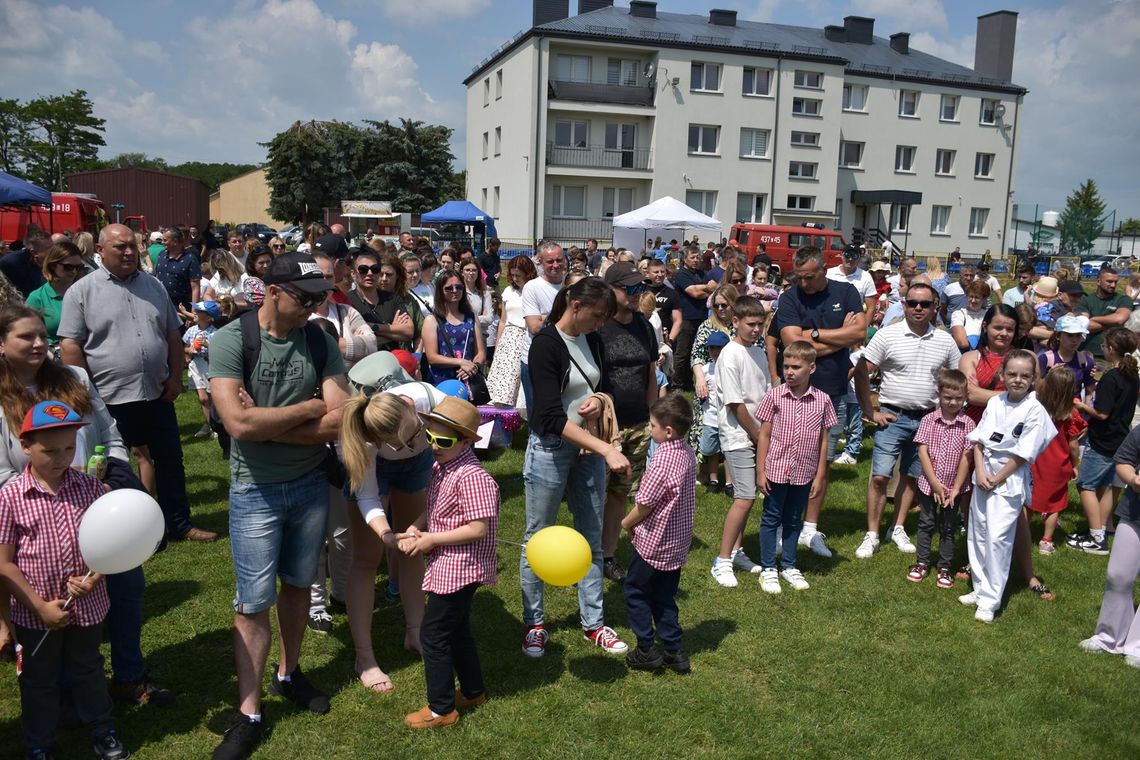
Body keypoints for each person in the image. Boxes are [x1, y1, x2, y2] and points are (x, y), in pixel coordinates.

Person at [208, 252, 349, 760]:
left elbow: (340, 418)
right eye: (304, 298)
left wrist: (268, 424)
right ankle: (249, 712)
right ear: (271, 291)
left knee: (298, 585)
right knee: (252, 602)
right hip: (255, 491)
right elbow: (237, 424)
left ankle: (289, 673)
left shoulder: (319, 339)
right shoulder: (231, 340)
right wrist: (309, 408)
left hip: (310, 484)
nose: (314, 307)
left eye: (320, 298)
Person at [0, 306, 173, 709]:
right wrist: (53, 496)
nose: (39, 343)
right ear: (2, 344)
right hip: (38, 523)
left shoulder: (74, 377)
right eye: (26, 337)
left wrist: (109, 480)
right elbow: (4, 473)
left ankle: (129, 676)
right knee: (58, 602)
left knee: (127, 588)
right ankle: (66, 691)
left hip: (99, 513)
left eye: (41, 334)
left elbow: (111, 436)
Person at [59, 224, 214, 542]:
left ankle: (178, 524)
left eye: (133, 245)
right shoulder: (82, 291)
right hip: (108, 399)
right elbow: (71, 345)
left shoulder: (153, 286)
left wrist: (175, 378)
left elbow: (172, 334)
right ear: (100, 250)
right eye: (120, 247)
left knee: (170, 461)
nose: (129, 252)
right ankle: (117, 532)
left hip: (156, 394)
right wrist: (83, 393)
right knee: (111, 467)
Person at [0, 400, 130, 760]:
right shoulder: (10, 498)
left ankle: (103, 729)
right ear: (26, 446)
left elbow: (112, 544)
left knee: (88, 668)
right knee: (38, 677)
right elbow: (4, 564)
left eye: (69, 448)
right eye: (51, 451)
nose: (61, 458)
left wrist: (94, 578)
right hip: (34, 611)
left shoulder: (90, 488)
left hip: (87, 605)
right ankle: (39, 742)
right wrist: (39, 607)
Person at [520, 277, 632, 658]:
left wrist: (599, 400)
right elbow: (550, 416)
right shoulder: (545, 345)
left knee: (591, 537)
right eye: (597, 316)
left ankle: (594, 624)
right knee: (537, 537)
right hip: (551, 450)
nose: (600, 325)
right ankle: (535, 624)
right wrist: (606, 449)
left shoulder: (594, 339)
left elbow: (606, 384)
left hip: (587, 454)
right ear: (576, 305)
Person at [396, 396, 498, 729]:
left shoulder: (471, 476)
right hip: (449, 562)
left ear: (466, 442)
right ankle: (472, 691)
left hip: (462, 567)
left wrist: (432, 539)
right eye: (430, 437)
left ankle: (442, 710)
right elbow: (434, 507)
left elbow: (478, 528)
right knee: (457, 630)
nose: (433, 446)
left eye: (443, 441)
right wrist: (416, 527)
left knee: (433, 635)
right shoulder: (443, 467)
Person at [854, 281, 961, 559]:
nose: (918, 308)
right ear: (904, 305)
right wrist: (870, 411)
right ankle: (872, 533)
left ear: (935, 307)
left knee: (911, 476)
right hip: (892, 416)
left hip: (927, 420)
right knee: (880, 476)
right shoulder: (888, 335)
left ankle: (898, 527)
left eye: (925, 304)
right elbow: (862, 371)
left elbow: (958, 378)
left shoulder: (945, 340)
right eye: (912, 303)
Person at [777, 246, 866, 558]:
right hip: (794, 393)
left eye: (810, 277)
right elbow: (793, 345)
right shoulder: (789, 298)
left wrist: (813, 335)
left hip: (833, 391)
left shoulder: (847, 291)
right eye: (799, 277)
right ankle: (782, 525)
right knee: (788, 459)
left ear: (824, 269)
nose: (804, 283)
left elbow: (860, 332)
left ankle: (810, 529)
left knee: (822, 463)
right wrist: (840, 337)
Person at [961, 350, 1054, 623]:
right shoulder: (995, 402)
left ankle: (991, 600)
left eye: (1025, 375)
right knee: (978, 532)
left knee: (998, 538)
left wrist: (997, 477)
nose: (1018, 380)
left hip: (1009, 477)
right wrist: (980, 471)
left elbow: (1024, 453)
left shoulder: (1035, 410)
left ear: (1034, 379)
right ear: (1002, 375)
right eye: (1012, 374)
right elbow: (979, 440)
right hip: (983, 474)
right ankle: (979, 587)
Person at [621, 393, 696, 673]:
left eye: (652, 425)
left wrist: (625, 523)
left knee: (636, 590)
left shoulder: (662, 460)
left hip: (654, 542)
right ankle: (675, 652)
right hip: (677, 542)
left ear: (668, 431)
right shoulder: (687, 453)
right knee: (664, 597)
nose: (649, 429)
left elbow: (644, 504)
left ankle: (646, 649)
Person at [755, 341, 835, 594]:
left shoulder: (822, 400)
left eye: (796, 367)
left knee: (793, 519)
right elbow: (764, 435)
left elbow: (824, 440)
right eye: (786, 366)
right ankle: (768, 567)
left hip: (804, 471)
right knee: (771, 517)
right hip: (776, 468)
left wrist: (820, 475)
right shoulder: (774, 396)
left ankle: (789, 565)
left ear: (812, 368)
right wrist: (760, 470)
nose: (789, 372)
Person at [598, 263, 659, 582]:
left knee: (620, 492)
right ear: (611, 290)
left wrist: (651, 416)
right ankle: (587, 553)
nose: (637, 294)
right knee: (593, 493)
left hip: (637, 424)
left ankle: (607, 555)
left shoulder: (644, 326)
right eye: (630, 289)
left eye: (640, 288)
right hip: (602, 428)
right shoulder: (597, 327)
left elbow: (650, 373)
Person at [710, 296, 772, 586]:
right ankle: (722, 560)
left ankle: (736, 551)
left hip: (760, 434)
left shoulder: (758, 352)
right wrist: (757, 435)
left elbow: (766, 394)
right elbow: (735, 403)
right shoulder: (730, 354)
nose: (756, 330)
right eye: (751, 324)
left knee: (749, 498)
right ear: (735, 322)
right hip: (738, 435)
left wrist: (766, 433)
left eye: (760, 324)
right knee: (745, 497)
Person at [1068, 328, 1140, 555]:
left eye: (1103, 346)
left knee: (1085, 485)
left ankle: (1097, 539)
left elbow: (1102, 414)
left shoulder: (1111, 377)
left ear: (1111, 348)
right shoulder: (1132, 375)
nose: (1103, 350)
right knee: (1106, 486)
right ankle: (1098, 531)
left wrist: (1080, 406)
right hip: (1120, 437)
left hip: (1103, 440)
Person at [1078, 420, 1140, 667]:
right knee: (1117, 576)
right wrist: (1134, 480)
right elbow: (1123, 461)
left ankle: (1137, 645)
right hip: (1134, 513)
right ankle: (1108, 636)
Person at [908, 370, 975, 588]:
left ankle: (945, 567)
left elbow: (967, 457)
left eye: (958, 398)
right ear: (938, 394)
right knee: (926, 523)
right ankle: (922, 562)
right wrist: (935, 484)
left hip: (955, 488)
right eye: (947, 397)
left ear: (965, 397)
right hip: (929, 485)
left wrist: (955, 488)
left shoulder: (968, 424)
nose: (952, 402)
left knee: (948, 527)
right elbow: (922, 452)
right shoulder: (929, 420)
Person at [1028, 366, 1085, 554]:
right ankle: (1046, 541)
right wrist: (1075, 464)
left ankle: (1022, 534)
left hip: (1036, 460)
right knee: (1054, 505)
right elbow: (1073, 445)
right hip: (1058, 465)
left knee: (1029, 500)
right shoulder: (1071, 415)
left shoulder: (1037, 408)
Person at [520, 242, 566, 411]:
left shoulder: (570, 284)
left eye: (559, 260)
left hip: (566, 357)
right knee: (538, 413)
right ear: (540, 261)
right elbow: (534, 327)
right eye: (550, 261)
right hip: (536, 359)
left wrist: (545, 317)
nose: (556, 265)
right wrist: (565, 314)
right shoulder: (532, 287)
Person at [487, 255, 536, 406]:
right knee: (504, 379)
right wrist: (498, 344)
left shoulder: (533, 291)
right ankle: (502, 412)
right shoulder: (508, 291)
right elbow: (503, 320)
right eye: (513, 275)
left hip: (525, 336)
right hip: (508, 337)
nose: (515, 278)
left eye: (518, 275)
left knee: (519, 378)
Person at [423, 270, 485, 388]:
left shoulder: (471, 317)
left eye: (459, 287)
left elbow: (480, 352)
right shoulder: (432, 320)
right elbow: (432, 357)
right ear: (440, 291)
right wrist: (461, 362)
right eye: (449, 288)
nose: (455, 290)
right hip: (442, 382)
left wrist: (473, 367)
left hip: (468, 379)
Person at [348, 249, 414, 352]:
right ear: (353, 273)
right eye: (363, 269)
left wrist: (373, 327)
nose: (370, 273)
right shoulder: (347, 301)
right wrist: (393, 330)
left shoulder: (392, 298)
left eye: (375, 269)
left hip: (392, 359)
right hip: (365, 360)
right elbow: (357, 342)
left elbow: (409, 331)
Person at [672, 247, 719, 391]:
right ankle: (677, 384)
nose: (696, 260)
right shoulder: (681, 274)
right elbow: (695, 293)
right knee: (683, 352)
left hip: (701, 317)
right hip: (686, 318)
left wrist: (703, 288)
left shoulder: (701, 273)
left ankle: (688, 382)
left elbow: (715, 287)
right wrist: (707, 288)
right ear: (685, 259)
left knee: (696, 351)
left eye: (698, 257)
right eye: (692, 257)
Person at [26, 240, 86, 349]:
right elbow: (28, 334)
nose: (74, 271)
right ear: (53, 265)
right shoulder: (37, 298)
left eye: (78, 267)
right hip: (53, 354)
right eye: (68, 267)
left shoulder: (85, 292)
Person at [1077, 267, 1132, 365]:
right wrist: (1113, 323)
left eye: (1115, 282)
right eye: (1109, 281)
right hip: (1087, 352)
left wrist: (1093, 319)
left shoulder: (1123, 299)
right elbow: (1085, 325)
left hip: (1113, 354)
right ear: (1098, 281)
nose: (1113, 285)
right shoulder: (1085, 300)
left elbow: (1120, 319)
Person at [697, 330, 729, 493]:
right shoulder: (705, 370)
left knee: (729, 450)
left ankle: (730, 482)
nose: (715, 351)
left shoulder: (732, 367)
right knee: (711, 451)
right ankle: (713, 479)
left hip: (729, 418)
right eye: (712, 348)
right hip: (711, 417)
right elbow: (700, 392)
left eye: (719, 348)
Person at [1038, 315, 1096, 405]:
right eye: (1070, 335)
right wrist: (1050, 377)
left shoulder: (1085, 361)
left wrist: (1085, 409)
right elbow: (1036, 388)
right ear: (1058, 336)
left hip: (1073, 410)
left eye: (1078, 335)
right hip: (1048, 409)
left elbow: (1089, 392)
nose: (1075, 340)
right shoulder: (1045, 359)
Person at [184, 300, 221, 439]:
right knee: (203, 398)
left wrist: (207, 345)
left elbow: (218, 351)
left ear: (209, 317)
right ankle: (210, 425)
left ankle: (214, 424)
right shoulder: (191, 330)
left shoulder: (215, 333)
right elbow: (185, 347)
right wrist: (189, 351)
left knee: (212, 397)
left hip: (209, 364)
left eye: (199, 311)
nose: (195, 313)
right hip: (196, 364)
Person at [154, 226, 201, 312]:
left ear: (175, 241)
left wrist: (194, 311)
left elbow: (195, 287)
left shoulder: (190, 259)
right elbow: (157, 276)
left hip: (181, 310)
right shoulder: (161, 255)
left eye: (165, 240)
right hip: (161, 306)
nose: (162, 243)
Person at [827, 244, 877, 316]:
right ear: (842, 255)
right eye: (848, 255)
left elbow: (871, 307)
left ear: (859, 259)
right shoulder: (829, 274)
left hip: (855, 319)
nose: (850, 259)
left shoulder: (866, 277)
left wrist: (864, 323)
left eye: (854, 256)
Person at [462, 258, 496, 363]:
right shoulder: (458, 292)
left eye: (474, 270)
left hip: (480, 339)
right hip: (461, 337)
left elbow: (489, 319)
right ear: (462, 272)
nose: (471, 273)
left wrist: (468, 318)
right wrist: (480, 317)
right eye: (467, 270)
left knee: (478, 368)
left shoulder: (485, 294)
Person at [0, 229, 49, 298]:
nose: (54, 250)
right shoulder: (11, 263)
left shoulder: (57, 262)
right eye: (48, 248)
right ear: (34, 252)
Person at [645, 258, 682, 350]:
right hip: (644, 337)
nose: (660, 275)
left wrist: (669, 342)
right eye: (656, 272)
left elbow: (678, 320)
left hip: (664, 339)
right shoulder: (641, 291)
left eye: (662, 271)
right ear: (647, 273)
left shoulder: (672, 293)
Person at [949, 280, 992, 350]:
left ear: (984, 299)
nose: (973, 300)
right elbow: (962, 343)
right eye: (971, 297)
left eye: (977, 297)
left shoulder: (988, 315)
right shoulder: (958, 314)